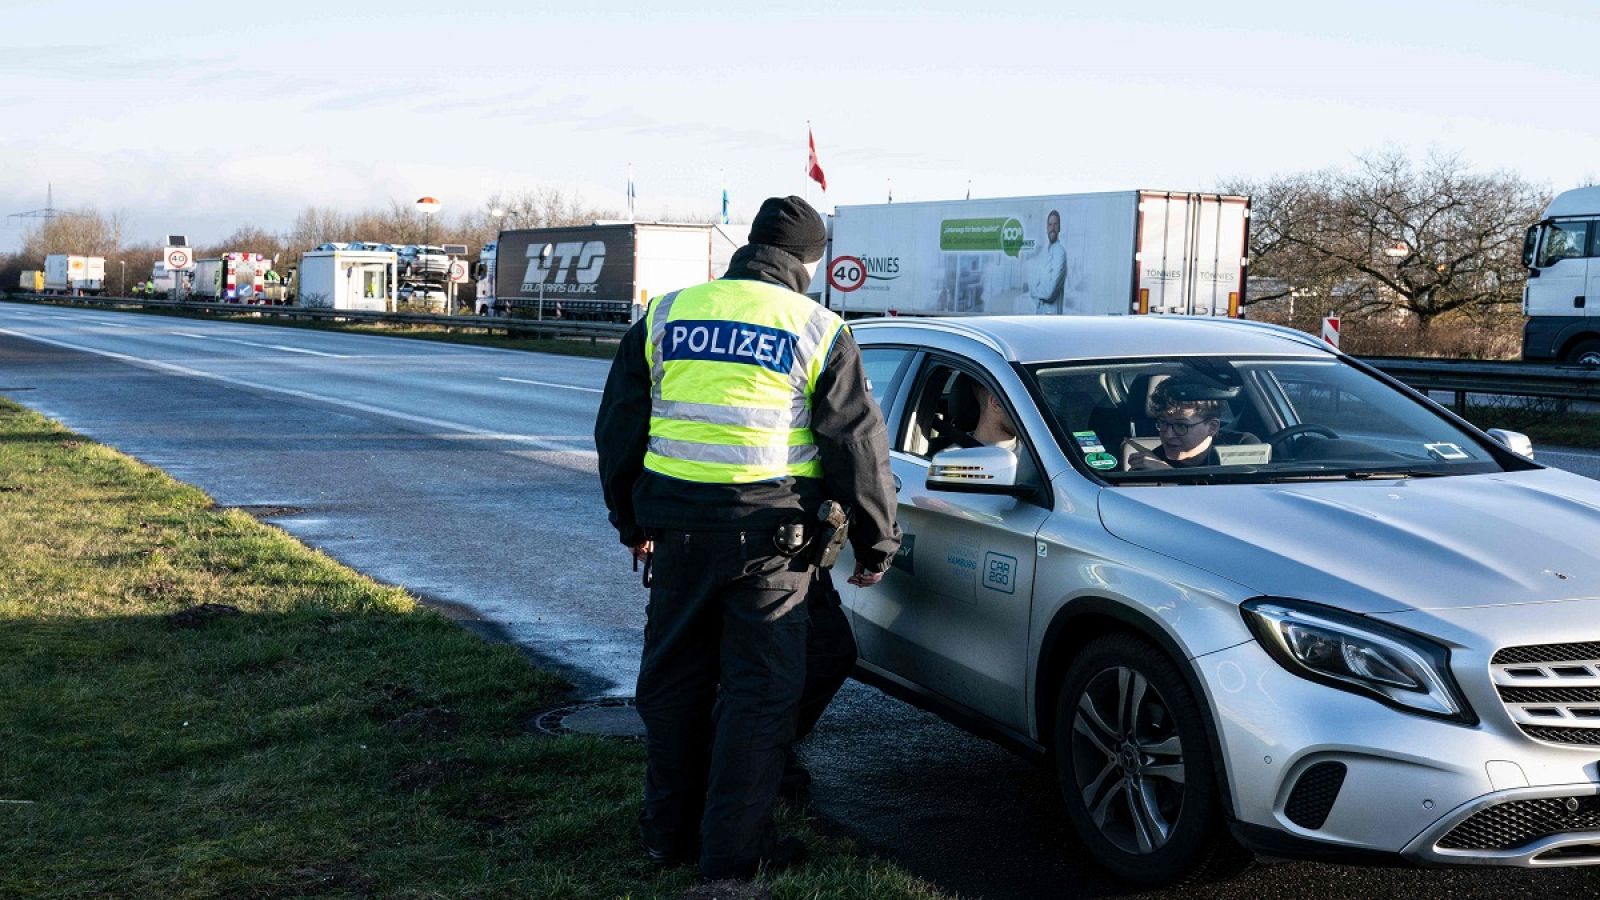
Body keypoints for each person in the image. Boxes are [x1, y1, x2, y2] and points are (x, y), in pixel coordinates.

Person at [595, 195, 901, 881]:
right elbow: (857, 446)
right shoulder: (818, 327)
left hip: (678, 538)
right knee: (759, 698)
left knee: (674, 685)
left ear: (749, 248)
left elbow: (618, 431)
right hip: (773, 545)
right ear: (808, 262)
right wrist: (877, 543)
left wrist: (631, 523)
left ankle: (664, 836)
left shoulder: (667, 313)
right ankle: (732, 857)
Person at [1124, 380, 1246, 469]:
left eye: (1181, 426)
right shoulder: (1151, 462)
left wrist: (1167, 474)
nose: (1168, 435)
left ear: (1212, 427)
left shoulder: (1243, 448)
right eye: (1163, 422)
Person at [1026, 209, 1066, 314]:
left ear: (1059, 228)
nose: (1052, 228)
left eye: (1055, 224)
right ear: (1046, 228)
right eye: (1050, 225)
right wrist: (1037, 289)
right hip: (1039, 313)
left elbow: (1050, 292)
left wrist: (1036, 292)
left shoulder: (1060, 253)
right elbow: (1034, 281)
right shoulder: (1044, 253)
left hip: (1052, 317)